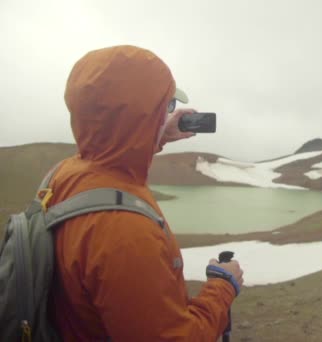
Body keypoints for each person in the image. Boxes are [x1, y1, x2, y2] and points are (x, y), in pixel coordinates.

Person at [47, 45, 244, 341]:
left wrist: (159, 133)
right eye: (165, 107)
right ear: (143, 117)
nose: (169, 113)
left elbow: (114, 144)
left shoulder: (65, 175)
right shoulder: (125, 233)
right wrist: (223, 286)